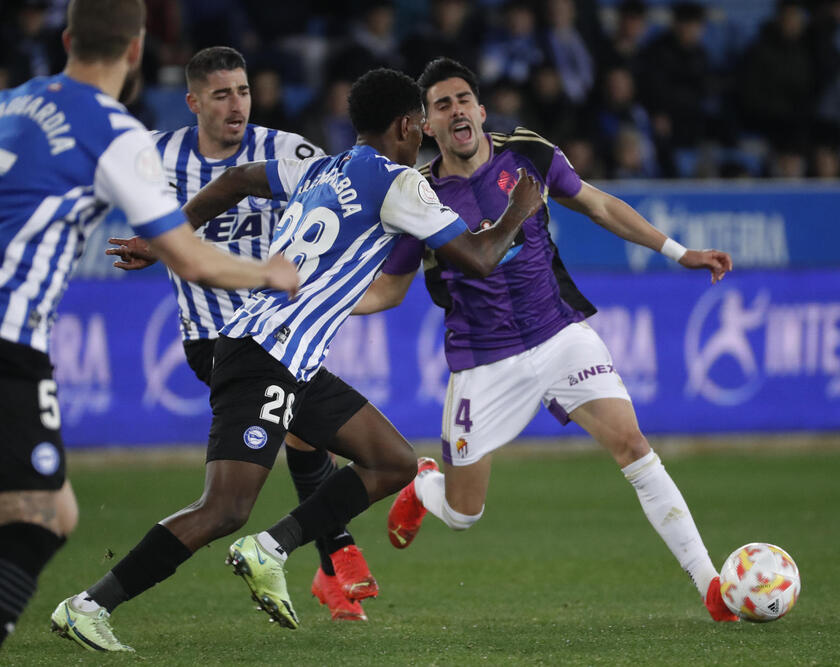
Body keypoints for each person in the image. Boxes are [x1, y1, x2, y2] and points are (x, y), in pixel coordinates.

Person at [51, 66, 544, 652]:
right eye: (420, 127)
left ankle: (272, 547)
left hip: (290, 358)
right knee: (224, 506)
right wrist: (520, 208)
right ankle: (88, 605)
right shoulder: (400, 183)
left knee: (391, 462)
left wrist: (166, 240)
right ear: (408, 125)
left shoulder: (323, 168)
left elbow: (236, 179)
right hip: (266, 354)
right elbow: (481, 259)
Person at [353, 57, 738, 622]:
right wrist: (319, 304)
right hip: (483, 363)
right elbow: (389, 289)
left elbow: (598, 202)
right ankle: (425, 486)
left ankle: (712, 588)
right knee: (464, 515)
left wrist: (680, 252)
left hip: (558, 334)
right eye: (441, 104)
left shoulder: (527, 153)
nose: (456, 109)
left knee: (633, 446)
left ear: (481, 111)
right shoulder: (419, 195)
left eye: (463, 99)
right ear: (427, 126)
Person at [0, 0, 298, 651]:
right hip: (10, 339)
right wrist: (269, 274)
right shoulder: (115, 133)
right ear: (137, 51)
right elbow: (191, 256)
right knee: (43, 517)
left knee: (44, 509)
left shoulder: (16, 101)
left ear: (69, 38)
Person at [105, 46, 378, 622]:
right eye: (223, 94)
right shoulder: (155, 156)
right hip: (215, 340)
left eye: (244, 91)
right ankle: (335, 552)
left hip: (278, 327)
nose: (237, 105)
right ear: (194, 101)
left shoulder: (286, 150)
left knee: (308, 437)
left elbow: (344, 195)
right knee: (305, 447)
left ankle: (331, 563)